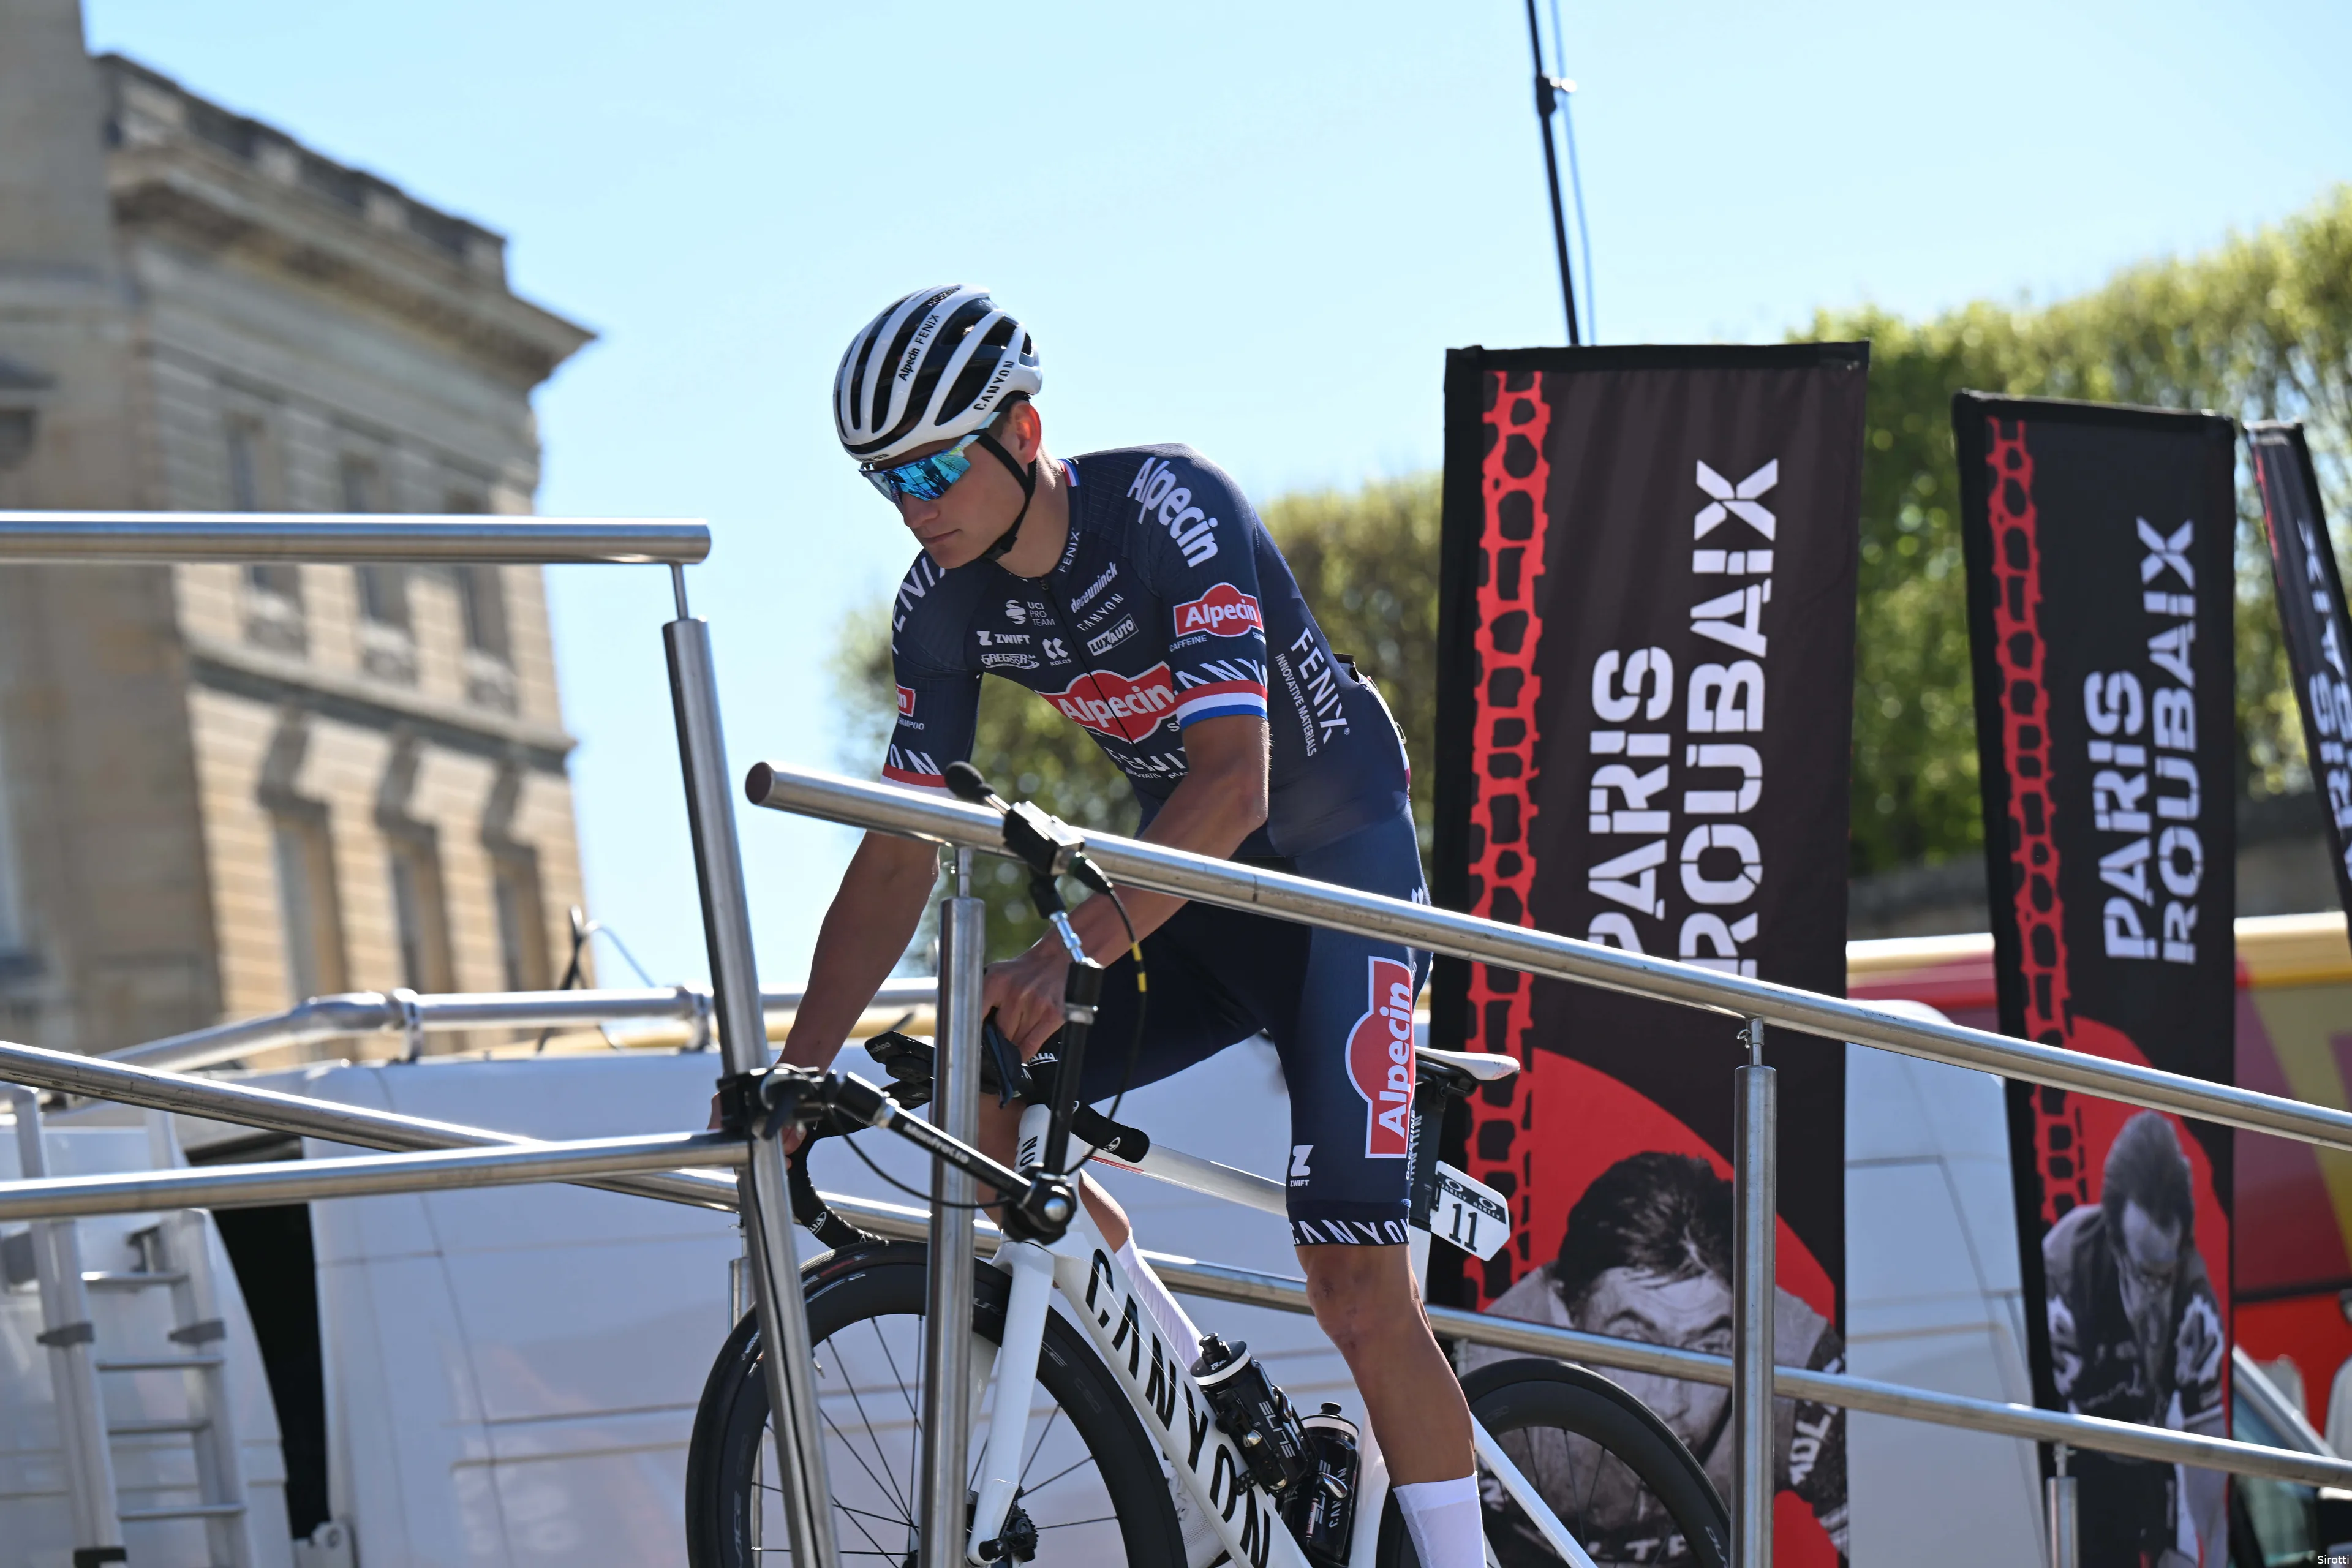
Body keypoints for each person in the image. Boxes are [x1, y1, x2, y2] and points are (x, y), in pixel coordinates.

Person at [777, 285, 1482, 1566]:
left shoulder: (1170, 507)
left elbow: (1236, 783)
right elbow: (895, 843)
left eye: (936, 461)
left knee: (1353, 1284)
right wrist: (798, 1064)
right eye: (885, 479)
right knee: (980, 1096)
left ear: (1024, 427)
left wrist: (1069, 947)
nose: (916, 501)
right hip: (1193, 889)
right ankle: (1216, 1397)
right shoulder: (938, 602)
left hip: (1333, 874)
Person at [1462, 1152, 1850, 1566]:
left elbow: (1889, 1538)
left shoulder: (1799, 1367)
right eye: (1632, 1341)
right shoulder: (1483, 1367)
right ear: (1564, 1312)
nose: (1670, 1400)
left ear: (1749, 1323)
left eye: (1708, 1350)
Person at [2043, 1111, 2225, 1568]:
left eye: (2163, 1277)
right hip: (2075, 1469)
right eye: (2142, 1273)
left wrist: (2213, 1550)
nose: (2151, 1297)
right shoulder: (2067, 1273)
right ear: (2115, 1242)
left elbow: (2208, 1448)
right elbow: (2033, 1434)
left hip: (2149, 1465)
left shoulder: (2194, 1303)